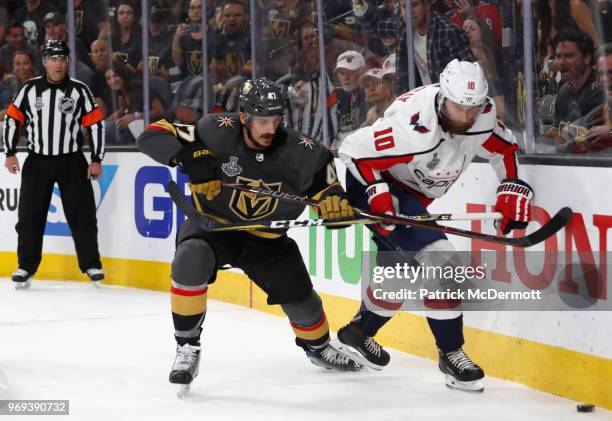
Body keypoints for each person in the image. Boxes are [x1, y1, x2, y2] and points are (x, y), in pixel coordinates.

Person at [136, 77, 364, 393]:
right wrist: (191, 156)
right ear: (244, 116)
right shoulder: (214, 130)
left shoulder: (306, 152)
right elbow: (152, 134)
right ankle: (187, 347)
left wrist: (335, 206)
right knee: (189, 259)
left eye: (276, 119)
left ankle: (319, 347)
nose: (270, 128)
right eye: (262, 120)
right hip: (214, 228)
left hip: (268, 240)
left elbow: (329, 190)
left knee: (305, 307)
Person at [336, 60, 531, 393]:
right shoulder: (413, 128)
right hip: (378, 186)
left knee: (402, 275)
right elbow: (352, 150)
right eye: (458, 107)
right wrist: (378, 195)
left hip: (414, 194)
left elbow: (505, 149)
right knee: (442, 261)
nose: (465, 117)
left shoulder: (480, 113)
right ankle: (451, 353)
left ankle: (358, 332)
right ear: (442, 98)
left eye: (472, 108)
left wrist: (511, 184)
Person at [1, 40, 105, 290]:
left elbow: (95, 124)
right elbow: (13, 120)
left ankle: (91, 264)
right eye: (52, 58)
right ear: (45, 62)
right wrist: (10, 152)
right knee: (29, 217)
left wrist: (96, 158)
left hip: (72, 160)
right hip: (37, 161)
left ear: (67, 62)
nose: (57, 64)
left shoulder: (80, 90)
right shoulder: (29, 89)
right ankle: (26, 266)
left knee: (82, 214)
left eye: (62, 59)